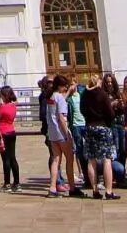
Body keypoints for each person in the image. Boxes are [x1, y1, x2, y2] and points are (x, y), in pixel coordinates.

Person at [80, 70, 122, 200]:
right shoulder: (102, 94)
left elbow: (82, 110)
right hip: (103, 127)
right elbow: (110, 113)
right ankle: (109, 191)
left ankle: (94, 190)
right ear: (98, 82)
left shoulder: (85, 95)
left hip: (89, 127)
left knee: (91, 160)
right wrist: (109, 120)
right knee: (107, 159)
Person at [41, 76, 76, 196]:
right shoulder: (59, 97)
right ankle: (72, 187)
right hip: (61, 133)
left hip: (52, 133)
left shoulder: (51, 97)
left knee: (56, 160)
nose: (66, 87)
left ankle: (52, 187)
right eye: (65, 85)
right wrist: (67, 134)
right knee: (70, 159)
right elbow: (61, 117)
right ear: (60, 86)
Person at [0, 84, 21, 192]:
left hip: (3, 134)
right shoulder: (13, 106)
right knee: (13, 158)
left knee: (5, 159)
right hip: (12, 132)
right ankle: (17, 183)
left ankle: (7, 184)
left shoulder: (2, 107)